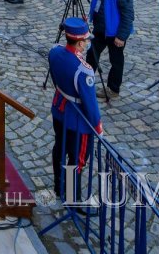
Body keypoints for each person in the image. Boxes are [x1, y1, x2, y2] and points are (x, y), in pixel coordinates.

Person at [48, 17, 102, 203]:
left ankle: (58, 186)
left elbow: (55, 79)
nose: (87, 43)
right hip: (76, 121)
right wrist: (98, 127)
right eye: (86, 41)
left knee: (59, 148)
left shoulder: (54, 52)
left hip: (59, 109)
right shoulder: (84, 70)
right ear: (79, 43)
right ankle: (73, 199)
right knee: (77, 160)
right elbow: (90, 104)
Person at [84, 0, 133, 99]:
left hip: (115, 33)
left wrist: (121, 36)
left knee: (116, 61)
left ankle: (113, 89)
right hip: (100, 29)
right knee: (91, 55)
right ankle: (85, 81)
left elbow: (128, 16)